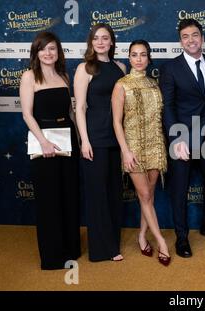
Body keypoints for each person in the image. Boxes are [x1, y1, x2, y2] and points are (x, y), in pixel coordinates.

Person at [20, 31, 80, 269]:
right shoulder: (29, 77)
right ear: (36, 53)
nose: (48, 53)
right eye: (43, 49)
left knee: (69, 196)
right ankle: (53, 256)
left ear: (58, 52)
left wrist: (79, 140)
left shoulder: (64, 76)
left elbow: (71, 114)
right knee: (49, 200)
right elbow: (27, 114)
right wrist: (43, 141)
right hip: (43, 144)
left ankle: (70, 249)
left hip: (68, 142)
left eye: (52, 49)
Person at [159, 18, 205, 258]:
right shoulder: (170, 68)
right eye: (186, 36)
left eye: (195, 35)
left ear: (202, 38)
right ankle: (182, 238)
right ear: (180, 41)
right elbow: (168, 106)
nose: (191, 40)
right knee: (179, 189)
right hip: (181, 134)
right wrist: (176, 138)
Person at [112, 40, 170, 266]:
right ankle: (161, 242)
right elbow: (117, 122)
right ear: (129, 58)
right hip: (133, 147)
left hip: (155, 145)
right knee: (144, 195)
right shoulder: (121, 85)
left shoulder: (155, 84)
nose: (138, 59)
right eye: (134, 55)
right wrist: (125, 151)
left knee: (150, 195)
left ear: (148, 58)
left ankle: (141, 235)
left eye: (143, 54)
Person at [74, 23, 126, 262]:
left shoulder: (120, 67)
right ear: (91, 42)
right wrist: (84, 140)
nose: (101, 42)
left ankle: (113, 242)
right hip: (94, 138)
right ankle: (102, 250)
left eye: (106, 38)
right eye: (97, 38)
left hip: (116, 139)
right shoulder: (85, 69)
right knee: (97, 194)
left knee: (114, 192)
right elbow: (80, 108)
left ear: (112, 42)